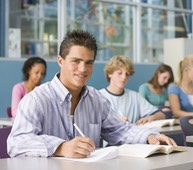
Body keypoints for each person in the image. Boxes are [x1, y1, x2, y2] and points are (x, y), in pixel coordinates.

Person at [7, 30, 176, 158]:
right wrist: (60, 147)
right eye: (76, 61)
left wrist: (150, 136)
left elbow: (119, 130)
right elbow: (16, 143)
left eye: (89, 63)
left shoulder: (96, 99)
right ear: (60, 61)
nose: (83, 69)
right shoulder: (36, 99)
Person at [99, 55, 166, 125]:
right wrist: (116, 122)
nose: (124, 77)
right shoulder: (99, 97)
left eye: (127, 74)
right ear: (110, 73)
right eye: (119, 73)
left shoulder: (135, 97)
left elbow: (161, 115)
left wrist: (151, 118)